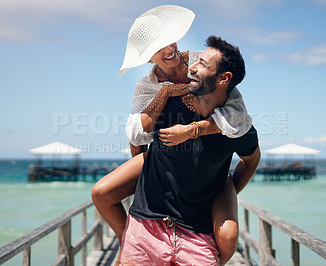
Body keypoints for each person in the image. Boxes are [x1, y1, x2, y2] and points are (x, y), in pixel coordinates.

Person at [91, 5, 253, 265]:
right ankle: (130, 238)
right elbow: (136, 133)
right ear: (148, 58)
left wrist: (193, 130)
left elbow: (238, 115)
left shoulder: (202, 64)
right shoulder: (148, 85)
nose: (169, 49)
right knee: (101, 192)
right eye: (159, 48)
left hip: (205, 161)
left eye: (170, 41)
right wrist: (164, 93)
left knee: (228, 234)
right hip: (160, 153)